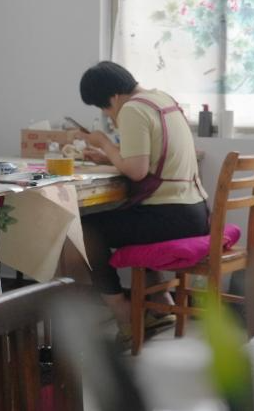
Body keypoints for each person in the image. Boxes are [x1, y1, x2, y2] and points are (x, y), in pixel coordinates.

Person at [77, 61, 209, 344]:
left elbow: (136, 171)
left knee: (85, 230)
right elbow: (148, 161)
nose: (107, 114)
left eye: (104, 108)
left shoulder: (132, 109)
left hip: (171, 216)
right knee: (133, 217)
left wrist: (104, 143)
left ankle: (123, 312)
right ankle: (161, 303)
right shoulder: (162, 99)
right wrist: (110, 156)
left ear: (113, 97)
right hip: (195, 211)